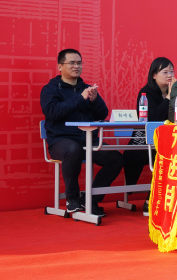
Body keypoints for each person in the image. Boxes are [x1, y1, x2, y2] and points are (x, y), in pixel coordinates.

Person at [40, 48, 123, 217]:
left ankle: (91, 199)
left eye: (79, 63)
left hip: (88, 140)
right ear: (60, 66)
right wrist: (80, 99)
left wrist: (94, 100)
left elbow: (102, 114)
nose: (76, 66)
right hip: (60, 141)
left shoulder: (86, 88)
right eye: (72, 63)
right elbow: (52, 112)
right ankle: (72, 199)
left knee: (116, 158)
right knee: (73, 149)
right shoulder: (50, 89)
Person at [124, 57, 175, 214]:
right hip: (142, 143)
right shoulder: (145, 93)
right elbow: (152, 118)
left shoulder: (176, 93)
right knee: (165, 156)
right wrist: (168, 98)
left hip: (165, 141)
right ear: (154, 75)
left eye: (172, 72)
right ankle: (150, 201)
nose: (170, 75)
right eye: (165, 72)